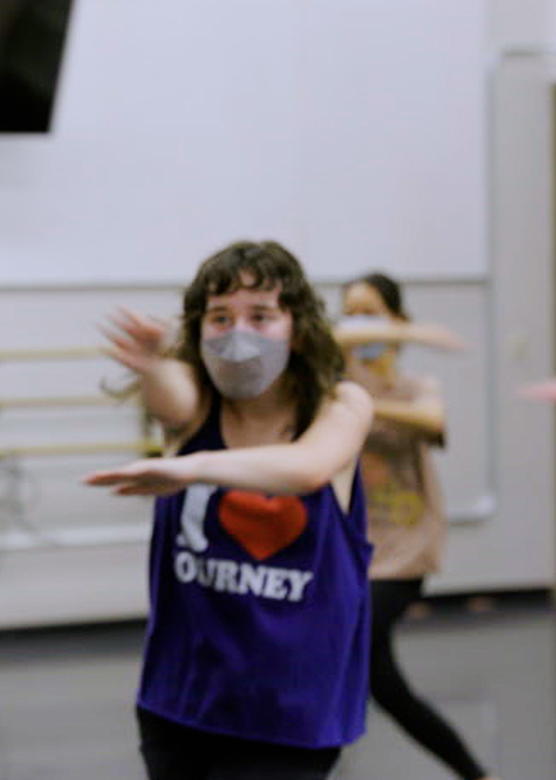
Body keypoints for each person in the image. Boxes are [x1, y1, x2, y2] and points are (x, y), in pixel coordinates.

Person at [89, 241, 375, 780]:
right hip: (184, 700)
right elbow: (171, 397)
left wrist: (194, 468)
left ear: (298, 326)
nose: (237, 334)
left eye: (260, 316)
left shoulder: (341, 405)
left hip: (290, 710)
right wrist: (153, 363)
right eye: (219, 318)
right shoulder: (195, 402)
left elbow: (309, 467)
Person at [337, 272, 495, 780]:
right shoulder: (330, 378)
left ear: (397, 320)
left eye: (371, 312)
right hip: (350, 550)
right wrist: (414, 334)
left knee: (352, 648)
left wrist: (358, 404)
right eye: (351, 311)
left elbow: (431, 420)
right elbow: (326, 340)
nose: (359, 323)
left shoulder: (416, 386)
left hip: (406, 548)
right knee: (384, 685)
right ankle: (476, 773)